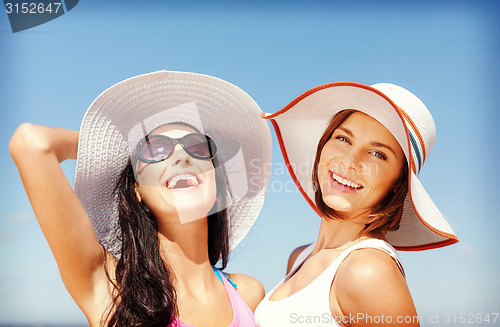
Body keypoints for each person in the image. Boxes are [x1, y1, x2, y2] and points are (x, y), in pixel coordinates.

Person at [9, 71, 272, 327]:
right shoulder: (110, 288)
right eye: (156, 150)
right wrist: (116, 152)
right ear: (138, 190)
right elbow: (32, 142)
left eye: (197, 147)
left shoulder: (249, 295)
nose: (182, 156)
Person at [254, 82, 458, 326]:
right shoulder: (300, 257)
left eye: (378, 154)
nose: (351, 161)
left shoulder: (368, 271)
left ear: (398, 184)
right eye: (343, 138)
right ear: (323, 146)